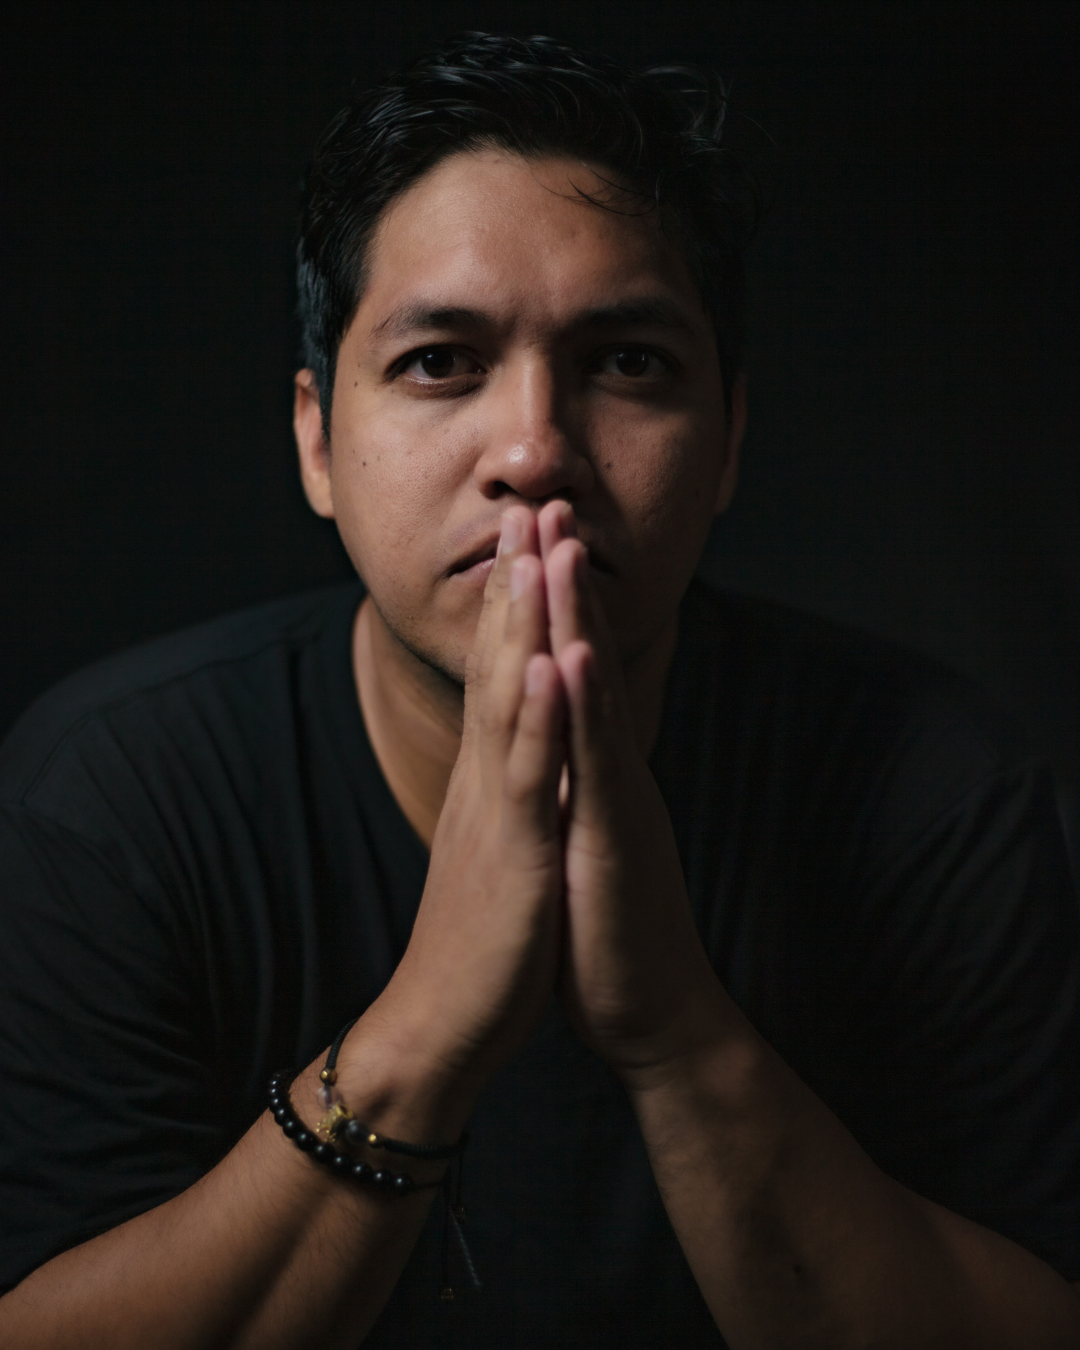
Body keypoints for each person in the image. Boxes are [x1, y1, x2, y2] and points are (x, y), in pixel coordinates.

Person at [0, 31, 1078, 1349]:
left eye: (627, 363)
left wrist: (672, 1026)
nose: (534, 449)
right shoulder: (109, 801)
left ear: (729, 440)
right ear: (317, 440)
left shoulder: (933, 792)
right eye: (439, 362)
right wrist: (426, 1027)